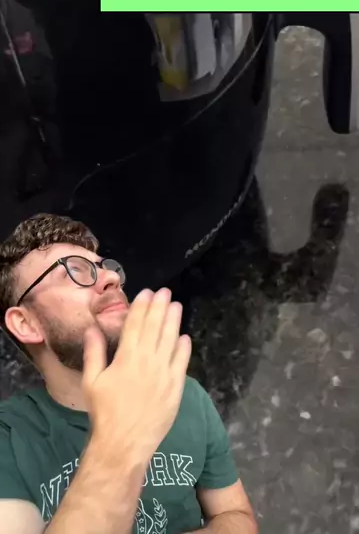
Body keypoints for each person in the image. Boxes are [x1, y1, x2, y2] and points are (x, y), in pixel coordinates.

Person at [0, 213, 258, 534]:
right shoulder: (9, 438)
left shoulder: (183, 394)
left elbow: (236, 516)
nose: (111, 278)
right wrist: (121, 440)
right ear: (25, 323)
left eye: (105, 267)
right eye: (74, 271)